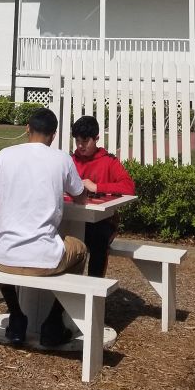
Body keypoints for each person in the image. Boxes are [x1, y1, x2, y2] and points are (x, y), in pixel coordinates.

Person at [0, 107, 88, 348]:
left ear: (27, 128)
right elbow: (80, 196)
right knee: (80, 251)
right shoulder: (62, 159)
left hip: (5, 257)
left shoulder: (5, 155)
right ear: (54, 135)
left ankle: (16, 315)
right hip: (46, 258)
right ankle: (53, 322)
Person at [70, 114, 136, 277]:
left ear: (97, 138)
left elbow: (129, 187)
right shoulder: (70, 160)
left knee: (98, 239)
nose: (80, 145)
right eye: (77, 141)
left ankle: (94, 286)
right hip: (74, 219)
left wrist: (97, 187)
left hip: (103, 222)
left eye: (85, 141)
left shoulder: (109, 161)